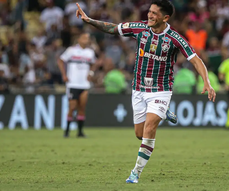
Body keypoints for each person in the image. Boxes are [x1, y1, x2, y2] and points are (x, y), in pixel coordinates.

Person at [75, 0, 216, 183]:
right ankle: (164, 112)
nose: (149, 15)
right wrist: (89, 20)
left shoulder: (174, 38)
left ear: (165, 17)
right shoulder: (139, 28)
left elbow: (195, 59)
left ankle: (136, 172)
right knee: (140, 134)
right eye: (149, 11)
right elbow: (113, 28)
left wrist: (207, 81)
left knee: (150, 129)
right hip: (139, 88)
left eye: (154, 13)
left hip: (161, 90)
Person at [57, 32, 97, 138]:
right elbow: (60, 61)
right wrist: (64, 75)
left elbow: (94, 64)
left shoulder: (90, 52)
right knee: (72, 107)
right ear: (78, 39)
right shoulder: (71, 50)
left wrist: (91, 73)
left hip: (84, 84)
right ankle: (67, 131)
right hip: (72, 83)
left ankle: (80, 132)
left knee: (82, 107)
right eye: (84, 37)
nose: (86, 40)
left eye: (87, 38)